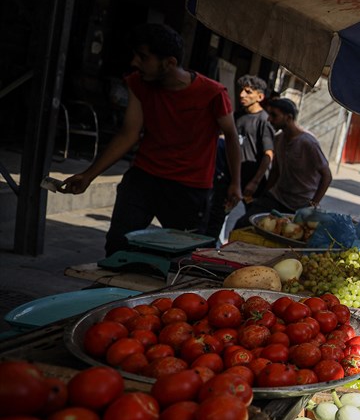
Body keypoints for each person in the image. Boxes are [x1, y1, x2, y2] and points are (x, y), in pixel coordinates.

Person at [61, 24, 242, 255]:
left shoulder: (213, 93)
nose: (135, 62)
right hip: (143, 179)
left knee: (184, 257)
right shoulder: (138, 83)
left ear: (170, 63)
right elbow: (129, 133)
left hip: (189, 188)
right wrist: (89, 175)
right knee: (118, 245)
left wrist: (235, 182)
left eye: (143, 57)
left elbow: (231, 135)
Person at [235, 98, 332, 228]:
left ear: (288, 117)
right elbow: (275, 171)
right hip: (277, 198)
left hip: (299, 205)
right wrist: (264, 194)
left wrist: (312, 206)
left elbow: (327, 176)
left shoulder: (308, 143)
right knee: (244, 225)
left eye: (274, 115)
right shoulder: (279, 139)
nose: (269, 120)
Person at [206, 74, 276, 239]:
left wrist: (255, 181)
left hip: (251, 184)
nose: (242, 95)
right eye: (241, 91)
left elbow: (268, 155)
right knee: (217, 215)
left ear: (260, 96)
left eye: (248, 92)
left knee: (250, 222)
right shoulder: (237, 116)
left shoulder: (264, 121)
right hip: (231, 179)